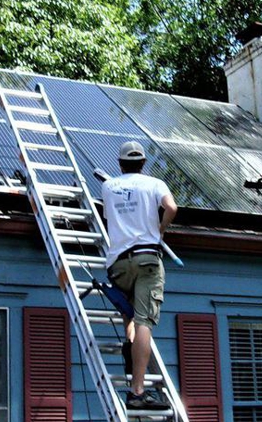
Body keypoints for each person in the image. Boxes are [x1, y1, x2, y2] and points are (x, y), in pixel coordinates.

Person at [102, 141, 177, 410]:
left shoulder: (108, 186)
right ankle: (137, 391)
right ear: (143, 163)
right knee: (145, 320)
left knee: (130, 315)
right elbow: (172, 208)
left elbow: (108, 218)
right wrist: (160, 229)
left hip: (118, 263)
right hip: (147, 259)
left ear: (120, 163)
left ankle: (131, 353)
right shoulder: (155, 184)